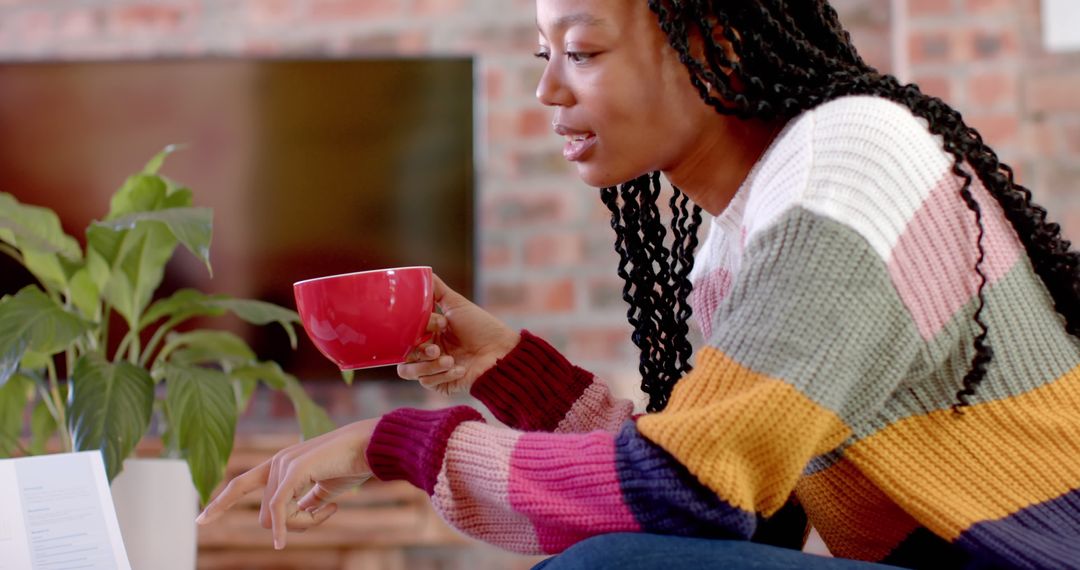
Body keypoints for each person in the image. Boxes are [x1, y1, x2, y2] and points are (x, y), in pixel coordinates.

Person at [196, 0, 1080, 568]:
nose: (546, 90)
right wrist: (510, 366)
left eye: (581, 51)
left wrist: (398, 444)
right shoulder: (744, 230)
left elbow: (687, 496)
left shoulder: (847, 157)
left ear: (717, 41)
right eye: (544, 51)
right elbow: (738, 512)